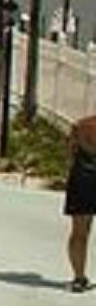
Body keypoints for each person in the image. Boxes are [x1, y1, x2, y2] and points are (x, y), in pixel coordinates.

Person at [67, 115, 96, 293]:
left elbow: (70, 153)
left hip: (83, 179)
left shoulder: (81, 125)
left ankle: (79, 278)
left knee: (79, 232)